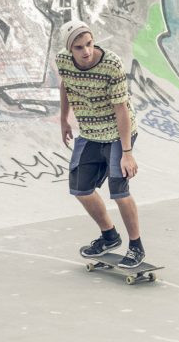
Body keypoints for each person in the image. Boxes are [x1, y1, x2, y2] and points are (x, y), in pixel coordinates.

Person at [56, 20, 145, 268]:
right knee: (80, 188)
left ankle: (136, 246)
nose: (85, 51)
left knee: (119, 190)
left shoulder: (111, 64)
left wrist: (127, 152)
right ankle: (109, 235)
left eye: (89, 44)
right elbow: (65, 84)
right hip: (89, 132)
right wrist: (63, 119)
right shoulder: (63, 60)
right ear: (69, 49)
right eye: (78, 47)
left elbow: (121, 109)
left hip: (118, 133)